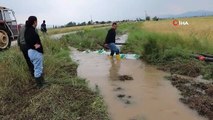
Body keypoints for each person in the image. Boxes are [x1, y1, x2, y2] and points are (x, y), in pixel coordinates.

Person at [25, 16, 45, 88]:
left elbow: (27, 41)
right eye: (36, 21)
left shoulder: (27, 29)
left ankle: (42, 82)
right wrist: (37, 46)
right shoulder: (31, 30)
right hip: (35, 52)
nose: (37, 22)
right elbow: (30, 41)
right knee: (38, 69)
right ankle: (40, 85)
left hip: (31, 52)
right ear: (34, 22)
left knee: (38, 67)